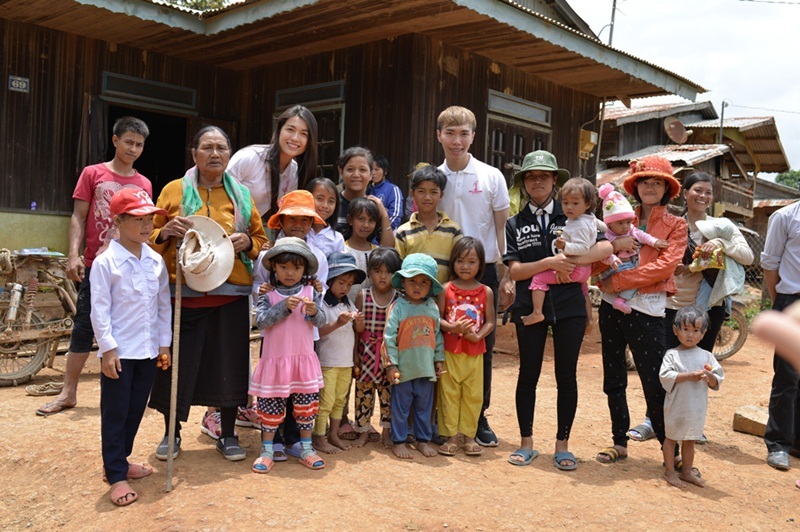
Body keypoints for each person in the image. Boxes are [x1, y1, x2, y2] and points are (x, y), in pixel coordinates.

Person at [148, 126, 267, 462]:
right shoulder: (173, 191)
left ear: (229, 156)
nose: (215, 154)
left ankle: (227, 434)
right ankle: (171, 434)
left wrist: (249, 243)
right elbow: (148, 234)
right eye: (207, 147)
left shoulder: (242, 196)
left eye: (221, 148)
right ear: (194, 154)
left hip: (230, 295)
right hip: (184, 294)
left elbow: (261, 241)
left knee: (229, 366)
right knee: (175, 367)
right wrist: (164, 231)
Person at [36, 116, 154, 417]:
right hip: (96, 264)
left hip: (130, 264)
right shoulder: (93, 173)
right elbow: (78, 215)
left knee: (128, 324)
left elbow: (145, 224)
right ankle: (68, 392)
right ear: (115, 140)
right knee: (85, 326)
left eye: (139, 144)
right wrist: (73, 255)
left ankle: (126, 390)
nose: (134, 149)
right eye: (129, 142)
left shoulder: (144, 183)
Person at [503, 150, 612, 470]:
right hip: (529, 304)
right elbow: (516, 271)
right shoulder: (513, 223)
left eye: (544, 175)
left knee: (567, 375)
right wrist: (551, 263)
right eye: (530, 176)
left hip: (571, 305)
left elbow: (607, 246)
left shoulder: (574, 213)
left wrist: (574, 261)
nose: (537, 180)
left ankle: (562, 445)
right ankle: (526, 443)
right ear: (523, 183)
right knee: (528, 374)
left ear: (554, 180)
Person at [627, 171, 752, 443]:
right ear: (684, 193)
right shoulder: (670, 223)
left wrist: (721, 243)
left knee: (699, 368)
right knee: (661, 366)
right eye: (697, 190)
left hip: (706, 309)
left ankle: (692, 425)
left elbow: (748, 255)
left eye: (708, 192)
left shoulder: (722, 226)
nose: (702, 196)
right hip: (668, 306)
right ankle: (653, 420)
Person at [593, 155, 687, 468]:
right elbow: (597, 256)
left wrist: (616, 280)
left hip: (647, 312)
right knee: (614, 377)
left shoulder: (677, 225)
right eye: (644, 181)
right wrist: (603, 272)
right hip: (611, 309)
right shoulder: (616, 215)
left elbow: (665, 267)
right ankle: (619, 442)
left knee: (655, 381)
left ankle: (669, 452)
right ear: (636, 185)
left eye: (657, 182)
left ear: (667, 189)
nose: (650, 186)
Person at [90, 188, 171, 506]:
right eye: (138, 218)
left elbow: (163, 305)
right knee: (116, 412)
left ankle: (120, 461)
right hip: (120, 354)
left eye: (150, 218)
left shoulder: (155, 261)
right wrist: (108, 349)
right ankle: (116, 476)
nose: (147, 225)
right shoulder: (106, 263)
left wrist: (164, 344)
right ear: (119, 221)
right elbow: (99, 309)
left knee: (136, 408)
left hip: (148, 352)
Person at [437, 106, 510, 447]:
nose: (457, 140)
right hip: (444, 274)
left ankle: (478, 418)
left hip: (484, 274)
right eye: (450, 133)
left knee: (482, 346)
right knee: (441, 345)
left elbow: (500, 227)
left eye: (464, 133)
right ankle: (443, 418)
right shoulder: (434, 179)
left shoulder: (491, 176)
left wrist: (505, 272)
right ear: (439, 136)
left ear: (473, 137)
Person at [249, 237, 327, 474]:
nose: (290, 272)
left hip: (302, 360)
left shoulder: (310, 292)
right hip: (275, 362)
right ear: (274, 267)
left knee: (305, 408)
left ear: (304, 269)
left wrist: (314, 313)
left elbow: (321, 321)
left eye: (296, 267)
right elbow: (260, 321)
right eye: (284, 267)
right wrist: (283, 307)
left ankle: (305, 448)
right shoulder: (268, 295)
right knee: (270, 408)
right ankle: (267, 450)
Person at [384, 253, 445, 459]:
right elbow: (388, 337)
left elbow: (437, 336)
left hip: (426, 369)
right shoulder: (398, 307)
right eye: (412, 281)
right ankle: (399, 441)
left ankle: (422, 440)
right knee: (400, 409)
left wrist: (438, 360)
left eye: (423, 282)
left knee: (423, 408)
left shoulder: (432, 307)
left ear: (430, 286)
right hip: (403, 370)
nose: (417, 286)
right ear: (403, 282)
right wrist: (391, 365)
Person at [437, 237, 494, 457]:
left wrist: (478, 335)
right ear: (453, 263)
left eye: (471, 261)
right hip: (450, 351)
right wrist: (453, 326)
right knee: (449, 393)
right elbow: (437, 318)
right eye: (460, 261)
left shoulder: (485, 291)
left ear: (480, 264)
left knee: (473, 394)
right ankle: (451, 437)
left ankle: (469, 437)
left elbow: (490, 321)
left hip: (474, 351)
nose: (465, 266)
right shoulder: (446, 289)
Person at [660, 306, 724, 488]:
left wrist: (709, 376)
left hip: (696, 407)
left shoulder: (707, 356)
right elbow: (665, 377)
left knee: (689, 440)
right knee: (671, 438)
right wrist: (689, 376)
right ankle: (670, 471)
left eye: (696, 330)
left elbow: (717, 380)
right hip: (676, 405)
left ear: (703, 333)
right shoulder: (672, 355)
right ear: (675, 330)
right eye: (685, 329)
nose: (690, 335)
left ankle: (687, 471)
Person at [522, 177, 597, 326]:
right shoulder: (590, 219)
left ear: (587, 204)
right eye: (565, 202)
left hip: (574, 269)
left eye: (575, 203)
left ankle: (537, 312)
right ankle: (589, 319)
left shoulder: (579, 223)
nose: (569, 207)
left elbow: (583, 248)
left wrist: (565, 248)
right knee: (583, 287)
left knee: (538, 279)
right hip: (584, 270)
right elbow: (603, 230)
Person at [760, 199, 800, 471]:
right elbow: (770, 263)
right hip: (791, 298)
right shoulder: (785, 216)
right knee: (788, 376)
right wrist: (780, 303)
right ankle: (778, 444)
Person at [227, 105, 318, 223]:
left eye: (303, 134)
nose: (295, 138)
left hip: (246, 232)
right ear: (279, 130)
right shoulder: (249, 157)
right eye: (290, 129)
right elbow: (217, 190)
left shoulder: (293, 172)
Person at [312, 252, 365, 454]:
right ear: (330, 280)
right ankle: (319, 436)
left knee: (340, 401)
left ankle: (333, 434)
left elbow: (357, 331)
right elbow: (317, 333)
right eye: (341, 282)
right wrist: (337, 324)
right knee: (325, 402)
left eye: (349, 284)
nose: (345, 288)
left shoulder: (348, 304)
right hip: (327, 361)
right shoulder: (322, 304)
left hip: (345, 362)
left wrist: (359, 323)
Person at [353, 247, 402, 447]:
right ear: (370, 272)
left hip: (388, 356)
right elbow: (356, 330)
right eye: (378, 271)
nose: (383, 276)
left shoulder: (399, 299)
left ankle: (387, 431)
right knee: (363, 394)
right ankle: (363, 431)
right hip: (366, 354)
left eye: (388, 272)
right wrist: (355, 354)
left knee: (388, 394)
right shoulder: (362, 296)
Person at [596, 183, 668, 315]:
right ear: (609, 223)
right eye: (620, 223)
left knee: (633, 279)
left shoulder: (631, 230)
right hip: (614, 268)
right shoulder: (605, 235)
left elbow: (642, 236)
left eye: (628, 222)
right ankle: (621, 300)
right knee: (632, 281)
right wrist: (613, 254)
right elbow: (601, 253)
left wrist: (654, 242)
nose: (625, 227)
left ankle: (620, 299)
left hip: (628, 267)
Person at [395, 165, 462, 285]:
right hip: (412, 301)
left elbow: (458, 266)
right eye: (421, 191)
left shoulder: (453, 230)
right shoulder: (403, 232)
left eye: (433, 192)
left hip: (444, 299)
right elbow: (398, 268)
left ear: (441, 195)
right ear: (412, 193)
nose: (427, 197)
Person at [335, 147, 395, 247]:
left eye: (362, 170)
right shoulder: (333, 204)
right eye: (350, 169)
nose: (356, 175)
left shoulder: (375, 207)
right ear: (341, 171)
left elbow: (387, 248)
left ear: (371, 174)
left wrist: (384, 216)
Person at [342, 197, 382, 303]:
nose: (366, 225)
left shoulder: (377, 252)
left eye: (371, 220)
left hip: (369, 312)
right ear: (350, 220)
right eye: (361, 219)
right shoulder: (341, 249)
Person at [307, 177, 346, 258]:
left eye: (331, 201)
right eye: (320, 199)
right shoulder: (298, 230)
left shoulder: (337, 239)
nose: (325, 205)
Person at [368, 154, 404, 231]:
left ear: (385, 171)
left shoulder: (393, 189)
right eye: (371, 170)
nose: (373, 173)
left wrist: (381, 232)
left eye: (377, 169)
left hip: (385, 234)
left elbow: (395, 215)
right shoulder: (367, 189)